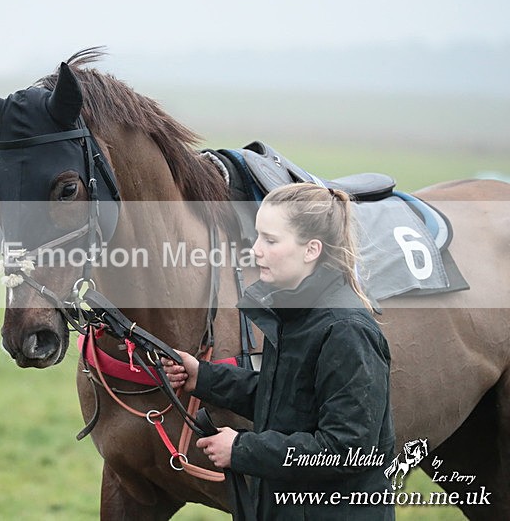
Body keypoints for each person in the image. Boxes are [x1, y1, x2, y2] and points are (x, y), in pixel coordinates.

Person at [164, 183, 395, 520]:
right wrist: (203, 376)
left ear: (311, 250)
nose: (255, 250)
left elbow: (347, 451)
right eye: (257, 236)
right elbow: (286, 400)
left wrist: (242, 449)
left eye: (270, 240)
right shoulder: (294, 315)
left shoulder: (346, 331)